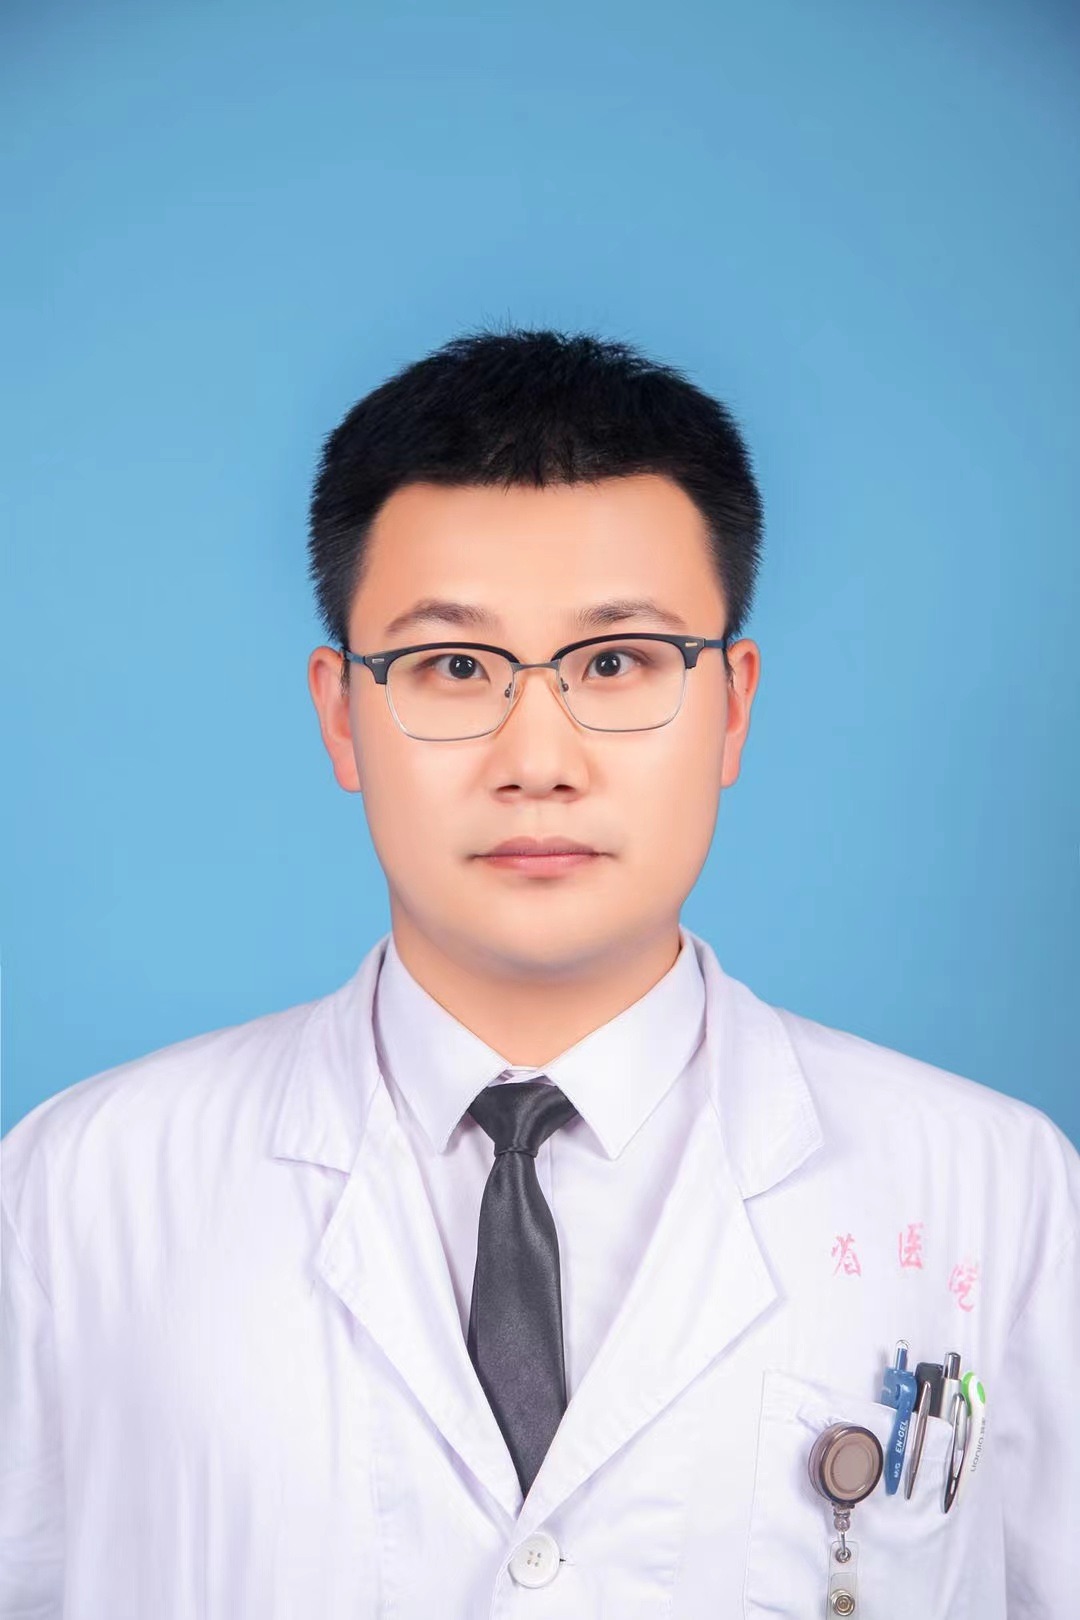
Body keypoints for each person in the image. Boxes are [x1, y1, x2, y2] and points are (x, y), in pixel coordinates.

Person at [1, 327, 1077, 1619]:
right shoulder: (78, 1193)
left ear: (733, 707)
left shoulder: (996, 1191)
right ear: (341, 714)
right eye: (453, 667)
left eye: (616, 663)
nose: (538, 760)